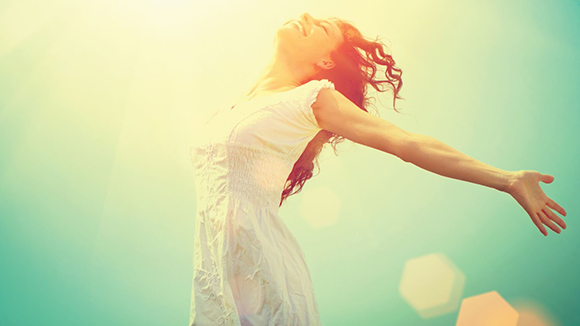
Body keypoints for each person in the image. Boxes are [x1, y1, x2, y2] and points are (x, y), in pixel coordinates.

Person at [188, 12, 568, 326]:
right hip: (213, 279)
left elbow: (407, 143)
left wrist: (507, 179)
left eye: (322, 27)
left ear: (325, 62)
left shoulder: (312, 98)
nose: (306, 15)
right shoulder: (226, 111)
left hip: (263, 271)